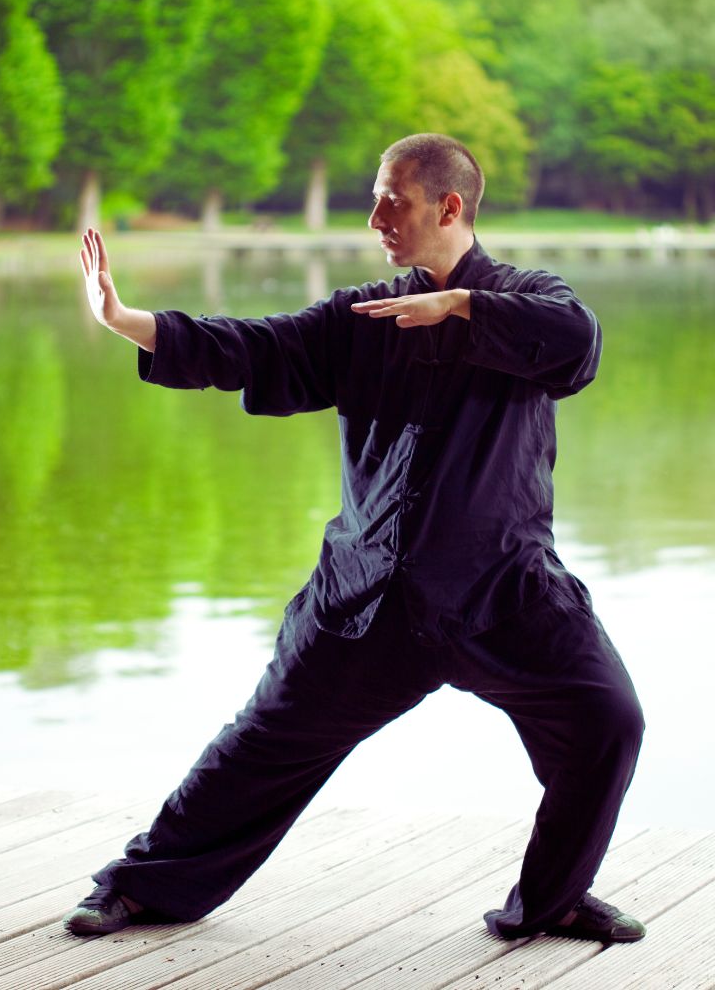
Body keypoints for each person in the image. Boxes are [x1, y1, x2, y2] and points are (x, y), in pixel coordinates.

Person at [64, 134, 646, 945]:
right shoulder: (361, 317)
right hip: (370, 600)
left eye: (392, 200)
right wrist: (129, 322)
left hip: (503, 594)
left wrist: (462, 307)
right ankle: (137, 889)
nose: (374, 217)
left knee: (607, 722)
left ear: (449, 207)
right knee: (258, 749)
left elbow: (577, 344)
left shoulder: (526, 297)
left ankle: (552, 903)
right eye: (374, 197)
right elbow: (253, 346)